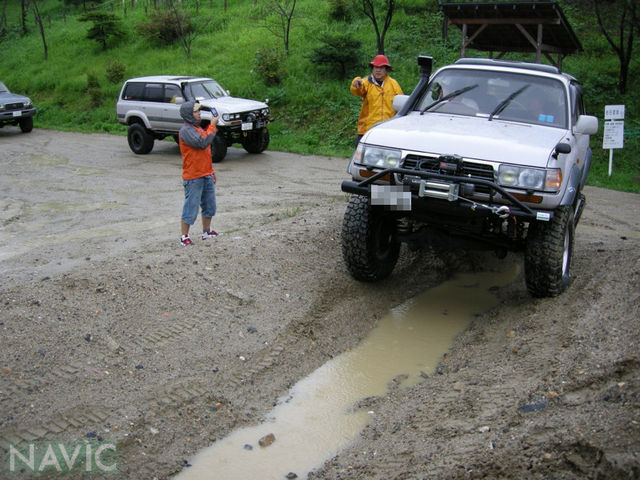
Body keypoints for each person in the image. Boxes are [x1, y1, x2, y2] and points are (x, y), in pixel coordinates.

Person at [178, 100, 220, 246]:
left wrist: (211, 171)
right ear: (189, 114)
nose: (199, 114)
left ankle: (206, 231)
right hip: (193, 177)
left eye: (199, 111)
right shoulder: (186, 131)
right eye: (196, 112)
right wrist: (212, 126)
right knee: (191, 206)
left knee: (209, 205)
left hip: (205, 174)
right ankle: (184, 236)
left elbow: (205, 153)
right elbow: (202, 143)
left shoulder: (198, 129)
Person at [350, 54, 403, 143]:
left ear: (386, 69)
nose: (378, 70)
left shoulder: (394, 84)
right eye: (375, 67)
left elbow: (402, 105)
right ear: (372, 68)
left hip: (388, 130)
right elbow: (357, 90)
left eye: (381, 67)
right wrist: (356, 83)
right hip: (367, 130)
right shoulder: (365, 82)